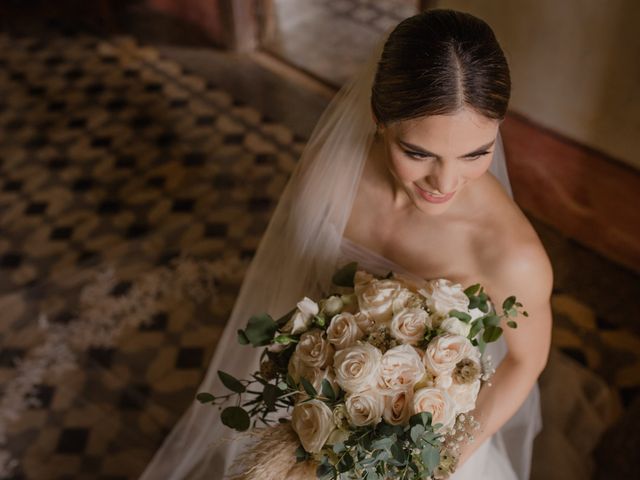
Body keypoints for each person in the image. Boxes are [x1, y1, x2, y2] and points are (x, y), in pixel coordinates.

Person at [140, 9, 551, 480]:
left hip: (427, 443)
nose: (445, 181)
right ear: (379, 118)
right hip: (316, 406)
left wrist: (439, 461)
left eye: (477, 153)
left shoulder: (511, 253)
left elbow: (526, 359)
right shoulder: (329, 175)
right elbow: (299, 289)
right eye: (418, 153)